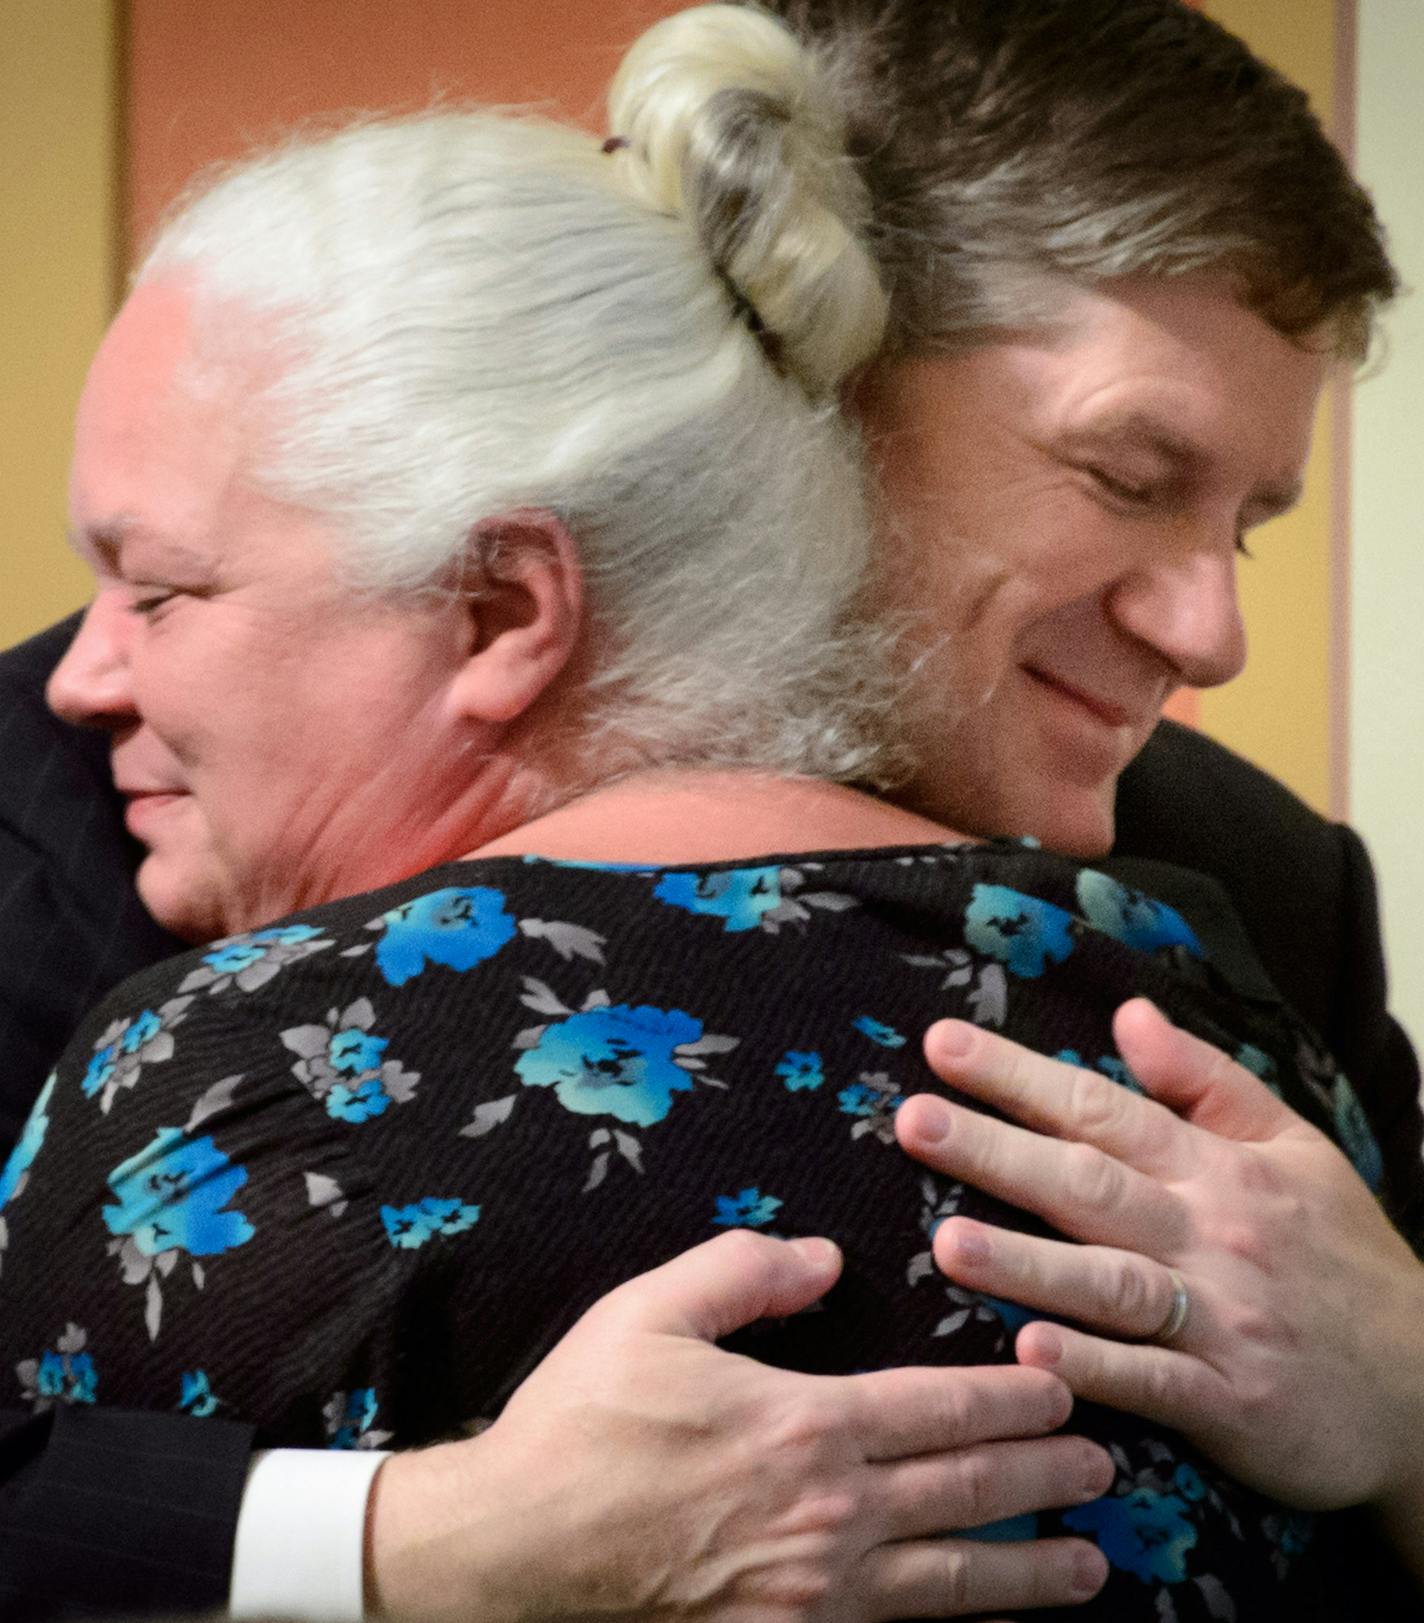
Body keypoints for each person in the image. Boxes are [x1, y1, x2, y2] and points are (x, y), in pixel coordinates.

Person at [0, 2, 1419, 1620]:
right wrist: (416, 1543)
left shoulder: (1254, 892)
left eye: (1252, 521)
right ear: (807, 376)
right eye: (1127, 474)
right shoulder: (88, 801)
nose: (1211, 632)